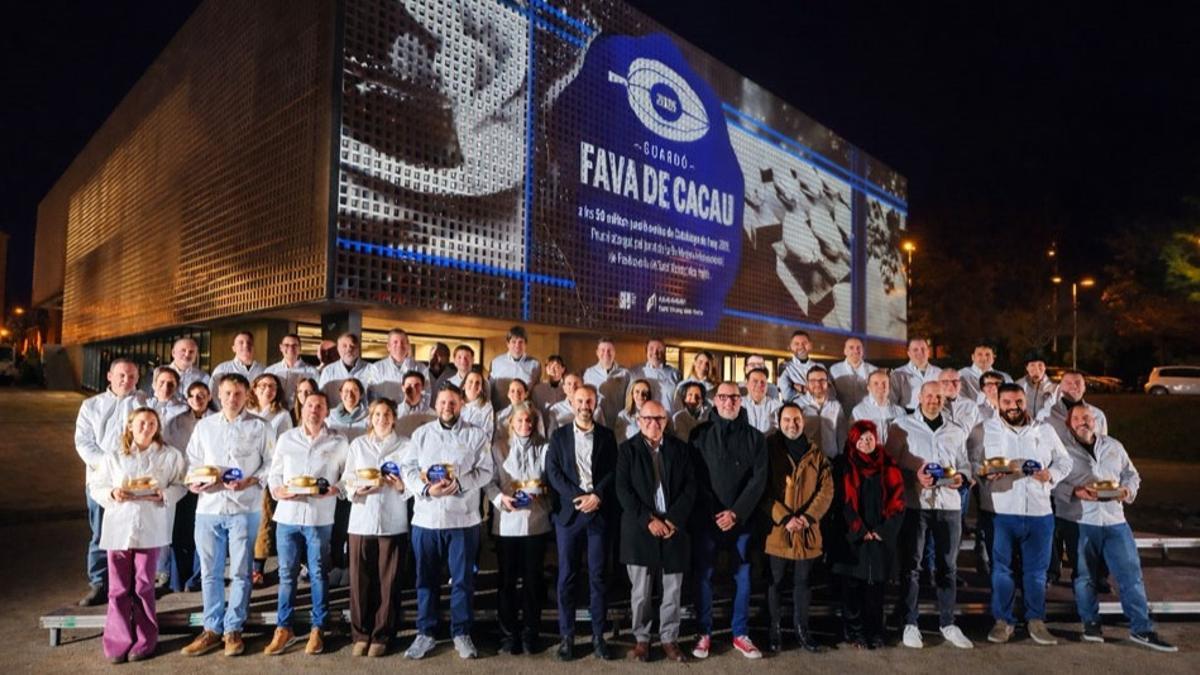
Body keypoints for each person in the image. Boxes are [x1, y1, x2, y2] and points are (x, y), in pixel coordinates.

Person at [1057, 406, 1177, 652]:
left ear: (1095, 421)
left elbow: (1132, 475)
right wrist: (1073, 491)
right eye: (1076, 418)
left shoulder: (1113, 445)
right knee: (1084, 576)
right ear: (1069, 423)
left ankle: (1141, 628)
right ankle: (1090, 624)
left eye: (1086, 418)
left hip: (1115, 521)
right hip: (1080, 520)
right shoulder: (1060, 448)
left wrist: (1127, 491)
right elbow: (1051, 481)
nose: (1082, 422)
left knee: (1130, 576)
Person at [180, 374, 275, 658]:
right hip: (209, 508)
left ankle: (233, 628)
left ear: (247, 395)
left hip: (244, 508)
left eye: (238, 393)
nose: (232, 398)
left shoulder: (261, 426)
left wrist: (251, 480)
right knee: (210, 572)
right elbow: (192, 462)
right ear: (218, 395)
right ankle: (211, 628)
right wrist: (194, 482)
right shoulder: (205, 427)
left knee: (241, 572)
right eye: (227, 393)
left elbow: (272, 463)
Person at [401, 385, 493, 660]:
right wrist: (426, 489)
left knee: (462, 580)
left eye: (453, 402)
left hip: (462, 519)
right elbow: (407, 468)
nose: (447, 407)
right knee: (425, 580)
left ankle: (461, 633)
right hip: (426, 519)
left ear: (461, 404)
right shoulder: (422, 434)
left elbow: (486, 471)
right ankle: (425, 633)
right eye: (443, 402)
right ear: (435, 404)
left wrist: (461, 483)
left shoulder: (476, 435)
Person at [92, 407, 187, 663]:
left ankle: (145, 640)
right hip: (119, 526)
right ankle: (117, 641)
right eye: (142, 423)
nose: (147, 427)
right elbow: (96, 485)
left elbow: (181, 484)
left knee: (144, 585)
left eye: (152, 423)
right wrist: (112, 493)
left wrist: (165, 494)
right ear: (130, 426)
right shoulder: (114, 456)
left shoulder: (169, 455)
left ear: (158, 427)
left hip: (150, 526)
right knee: (118, 588)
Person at [885, 382, 974, 649]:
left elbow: (965, 463)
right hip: (916, 504)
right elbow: (889, 464)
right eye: (929, 396)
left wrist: (962, 477)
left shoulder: (956, 430)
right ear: (919, 397)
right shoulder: (901, 426)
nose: (934, 400)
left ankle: (948, 622)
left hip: (949, 505)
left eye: (938, 396)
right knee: (912, 566)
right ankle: (910, 623)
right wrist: (913, 476)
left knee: (948, 566)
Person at [982, 384, 1072, 646]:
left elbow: (1065, 461)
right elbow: (971, 461)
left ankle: (1036, 620)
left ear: (1025, 401)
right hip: (1001, 510)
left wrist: (1051, 475)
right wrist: (984, 472)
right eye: (1007, 402)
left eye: (1018, 401)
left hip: (1038, 511)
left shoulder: (1044, 429)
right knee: (1002, 570)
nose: (1013, 406)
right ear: (998, 403)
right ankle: (1003, 621)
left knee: (1036, 572)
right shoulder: (985, 429)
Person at [263, 392, 347, 656]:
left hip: (319, 518)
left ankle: (318, 628)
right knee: (286, 574)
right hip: (287, 516)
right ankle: (283, 628)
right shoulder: (287, 438)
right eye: (310, 405)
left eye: (320, 406)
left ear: (326, 411)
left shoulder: (338, 441)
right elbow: (274, 473)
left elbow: (348, 476)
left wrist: (336, 489)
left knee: (318, 573)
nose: (314, 410)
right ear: (302, 408)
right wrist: (278, 490)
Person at [689, 382, 768, 659]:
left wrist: (736, 513)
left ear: (740, 400)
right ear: (715, 401)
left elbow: (759, 480)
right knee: (704, 574)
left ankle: (740, 633)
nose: (728, 402)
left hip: (741, 520)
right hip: (707, 518)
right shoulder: (699, 434)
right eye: (722, 397)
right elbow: (695, 477)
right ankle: (704, 632)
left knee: (742, 575)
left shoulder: (756, 437)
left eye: (733, 397)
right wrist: (715, 512)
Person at [615, 400, 696, 663]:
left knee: (672, 590)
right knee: (640, 592)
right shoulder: (627, 450)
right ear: (639, 421)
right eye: (648, 418)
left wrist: (673, 520)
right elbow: (623, 490)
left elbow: (690, 488)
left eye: (659, 418)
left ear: (666, 421)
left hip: (673, 528)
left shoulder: (680, 449)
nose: (654, 423)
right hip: (640, 529)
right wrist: (648, 521)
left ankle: (669, 639)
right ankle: (642, 639)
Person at [546, 384, 618, 661]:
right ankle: (567, 637)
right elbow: (553, 472)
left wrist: (597, 495)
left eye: (589, 401)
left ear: (596, 403)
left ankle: (599, 636)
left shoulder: (607, 436)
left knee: (598, 577)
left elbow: (613, 470)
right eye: (580, 401)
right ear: (572, 403)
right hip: (570, 514)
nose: (585, 406)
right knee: (567, 577)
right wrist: (579, 496)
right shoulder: (559, 436)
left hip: (598, 513)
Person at [341, 398, 410, 657]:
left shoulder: (406, 445)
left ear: (394, 418)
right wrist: (357, 489)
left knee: (388, 581)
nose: (382, 419)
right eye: (377, 414)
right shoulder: (358, 445)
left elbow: (412, 482)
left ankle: (382, 635)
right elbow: (347, 478)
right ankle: (360, 634)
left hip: (393, 520)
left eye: (387, 414)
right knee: (360, 580)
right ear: (370, 418)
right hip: (362, 519)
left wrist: (401, 485)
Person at [75, 358, 146, 606]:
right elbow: (84, 442)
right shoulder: (91, 406)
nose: (126, 380)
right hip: (101, 481)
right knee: (100, 533)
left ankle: (129, 584)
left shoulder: (144, 403)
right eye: (121, 375)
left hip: (133, 482)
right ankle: (98, 582)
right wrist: (108, 466)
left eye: (132, 376)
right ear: (109, 376)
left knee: (133, 534)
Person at [762, 403, 832, 653]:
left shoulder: (816, 452)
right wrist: (784, 517)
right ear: (778, 422)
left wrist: (808, 517)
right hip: (778, 530)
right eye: (787, 420)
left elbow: (826, 490)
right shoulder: (769, 449)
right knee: (776, 582)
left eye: (796, 420)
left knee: (803, 583)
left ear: (803, 422)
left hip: (806, 529)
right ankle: (775, 629)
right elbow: (762, 489)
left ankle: (802, 630)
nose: (792, 424)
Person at [830, 420, 906, 650]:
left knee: (876, 590)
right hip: (854, 536)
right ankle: (855, 632)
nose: (866, 442)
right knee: (852, 588)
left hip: (879, 537)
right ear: (853, 441)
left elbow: (898, 500)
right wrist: (860, 530)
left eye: (870, 438)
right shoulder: (843, 465)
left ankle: (875, 630)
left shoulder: (888, 465)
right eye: (861, 439)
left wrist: (883, 530)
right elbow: (841, 501)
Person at [485, 404, 551, 656]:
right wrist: (500, 498)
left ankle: (530, 634)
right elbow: (489, 483)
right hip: (507, 524)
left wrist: (542, 491)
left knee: (533, 582)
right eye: (520, 420)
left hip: (536, 523)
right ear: (510, 422)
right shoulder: (498, 448)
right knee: (507, 582)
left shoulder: (544, 447)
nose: (525, 424)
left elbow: (550, 480)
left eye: (529, 420)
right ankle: (508, 635)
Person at [1039, 370, 1108, 586]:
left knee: (1090, 530)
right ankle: (1052, 571)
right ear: (1060, 386)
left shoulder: (1097, 414)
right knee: (1053, 530)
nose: (1074, 386)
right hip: (1057, 479)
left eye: (1078, 383)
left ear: (1085, 387)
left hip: (1086, 478)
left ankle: (1095, 575)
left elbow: (1102, 448)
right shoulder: (1047, 414)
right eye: (1068, 383)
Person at [245, 373, 294, 588]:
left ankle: (257, 568)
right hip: (243, 472)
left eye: (272, 386)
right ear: (254, 388)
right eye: (263, 385)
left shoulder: (282, 415)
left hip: (266, 472)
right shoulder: (245, 411)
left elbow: (285, 448)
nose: (267, 389)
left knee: (263, 520)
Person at [164, 381, 213, 593]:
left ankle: (197, 577)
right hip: (182, 481)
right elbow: (168, 449)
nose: (197, 400)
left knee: (201, 533)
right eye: (192, 396)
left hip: (208, 483)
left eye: (202, 395)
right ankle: (177, 578)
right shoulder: (176, 422)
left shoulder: (216, 419)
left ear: (209, 396)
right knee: (180, 532)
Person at [145, 367, 189, 589]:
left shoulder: (183, 409)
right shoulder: (143, 406)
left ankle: (162, 571)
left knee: (165, 522)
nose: (166, 387)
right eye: (161, 382)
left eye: (171, 383)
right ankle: (144, 570)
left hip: (171, 469)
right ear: (154, 384)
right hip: (145, 469)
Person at [364, 328, 430, 404]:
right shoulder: (376, 368)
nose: (399, 345)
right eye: (395, 342)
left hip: (413, 411)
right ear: (388, 347)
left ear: (408, 345)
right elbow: (372, 397)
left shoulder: (421, 368)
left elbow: (426, 394)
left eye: (403, 342)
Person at [797, 365, 847, 459]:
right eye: (813, 381)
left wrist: (842, 457)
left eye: (822, 380)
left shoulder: (836, 405)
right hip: (808, 458)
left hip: (832, 458)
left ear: (827, 383)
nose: (817, 384)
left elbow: (842, 434)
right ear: (807, 384)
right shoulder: (798, 405)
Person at [489, 325, 541, 411]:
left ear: (525, 344)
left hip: (523, 414)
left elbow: (536, 393)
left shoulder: (535, 365)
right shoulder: (496, 362)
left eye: (521, 342)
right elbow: (489, 390)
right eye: (513, 342)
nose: (517, 345)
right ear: (507, 344)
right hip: (499, 413)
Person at [265, 333, 318, 409]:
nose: (290, 348)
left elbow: (317, 396)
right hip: (275, 411)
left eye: (294, 345)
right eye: (286, 345)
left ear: (300, 348)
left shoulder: (312, 372)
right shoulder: (270, 371)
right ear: (281, 348)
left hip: (301, 412)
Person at [584, 337, 630, 425]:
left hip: (619, 423)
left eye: (609, 350)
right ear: (597, 352)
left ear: (614, 352)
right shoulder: (589, 373)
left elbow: (629, 399)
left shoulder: (625, 373)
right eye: (602, 350)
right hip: (596, 422)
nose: (606, 353)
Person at [852, 370, 906, 444]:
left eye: (884, 383)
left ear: (889, 387)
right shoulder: (858, 412)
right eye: (876, 383)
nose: (881, 387)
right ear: (868, 387)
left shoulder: (900, 412)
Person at [629, 337, 681, 414]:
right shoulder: (635, 372)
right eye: (651, 348)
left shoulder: (675, 374)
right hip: (643, 418)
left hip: (668, 417)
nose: (655, 352)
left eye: (659, 349)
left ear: (664, 352)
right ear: (646, 351)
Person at [890, 338, 942, 412]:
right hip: (907, 414)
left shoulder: (939, 372)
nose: (920, 352)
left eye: (923, 349)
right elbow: (892, 401)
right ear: (909, 353)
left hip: (934, 414)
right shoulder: (898, 374)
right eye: (915, 350)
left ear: (928, 351)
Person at [318, 332, 367, 407]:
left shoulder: (371, 369)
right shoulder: (328, 371)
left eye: (352, 346)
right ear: (338, 349)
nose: (349, 349)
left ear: (358, 349)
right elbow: (321, 398)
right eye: (344, 346)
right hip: (333, 414)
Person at [830, 337, 877, 411]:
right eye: (851, 348)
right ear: (845, 351)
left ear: (863, 351)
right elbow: (830, 394)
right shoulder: (834, 369)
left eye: (859, 348)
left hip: (866, 412)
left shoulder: (873, 370)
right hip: (842, 412)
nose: (856, 351)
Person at [496, 378, 546, 444]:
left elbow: (541, 438)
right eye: (512, 391)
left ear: (526, 394)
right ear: (508, 394)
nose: (516, 394)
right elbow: (497, 439)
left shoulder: (536, 414)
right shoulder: (499, 416)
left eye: (519, 391)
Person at [778, 330, 817, 402]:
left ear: (810, 345)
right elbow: (787, 396)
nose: (801, 346)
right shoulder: (785, 367)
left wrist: (800, 388)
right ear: (791, 346)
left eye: (804, 343)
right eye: (796, 343)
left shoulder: (819, 367)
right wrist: (811, 391)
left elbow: (828, 394)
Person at [394, 370, 436, 438]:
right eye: (409, 385)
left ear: (422, 388)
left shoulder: (432, 415)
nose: (413, 388)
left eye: (417, 385)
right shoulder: (393, 413)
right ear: (403, 388)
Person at [327, 377, 370, 441]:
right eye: (346, 391)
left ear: (361, 394)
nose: (350, 394)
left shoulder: (369, 416)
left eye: (354, 390)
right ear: (341, 394)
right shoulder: (329, 416)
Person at [459, 369, 496, 441]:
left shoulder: (487, 407)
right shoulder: (454, 403)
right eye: (470, 381)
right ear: (464, 385)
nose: (474, 385)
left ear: (481, 389)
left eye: (478, 383)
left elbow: (487, 437)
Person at [743, 367, 782, 435]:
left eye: (763, 382)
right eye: (755, 381)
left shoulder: (777, 406)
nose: (759, 385)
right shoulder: (738, 404)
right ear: (747, 384)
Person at [532, 355, 567, 420]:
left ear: (563, 369)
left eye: (556, 367)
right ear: (546, 370)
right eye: (550, 367)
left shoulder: (568, 387)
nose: (553, 370)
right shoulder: (538, 389)